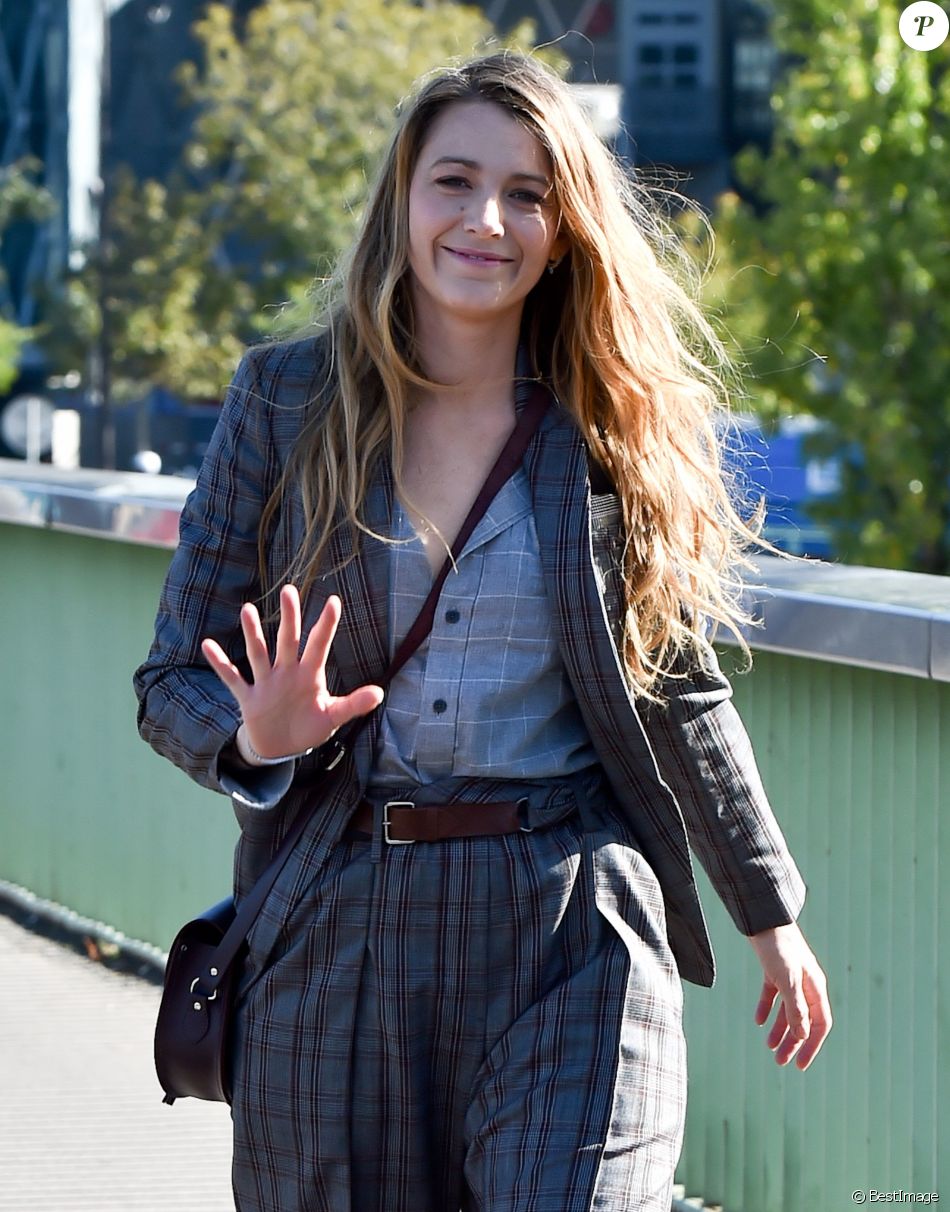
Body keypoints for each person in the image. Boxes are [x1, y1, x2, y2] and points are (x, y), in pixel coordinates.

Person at [134, 50, 831, 1212]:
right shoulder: (285, 401)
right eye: (453, 182)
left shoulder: (610, 428)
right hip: (341, 911)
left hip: (569, 916)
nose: (486, 220)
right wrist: (258, 736)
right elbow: (169, 678)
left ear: (566, 227)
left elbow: (676, 691)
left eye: (528, 193)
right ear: (401, 199)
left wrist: (770, 913)